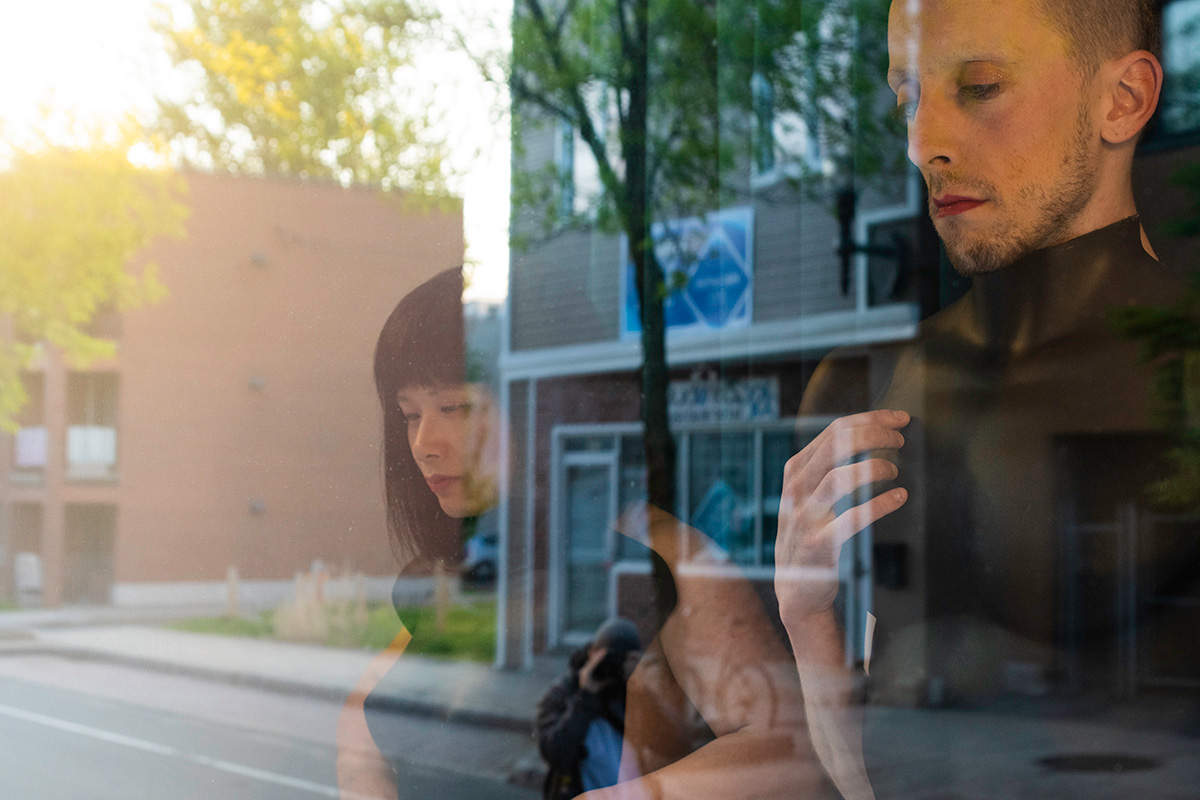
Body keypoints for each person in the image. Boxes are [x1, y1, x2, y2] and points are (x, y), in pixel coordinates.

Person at [775, 1, 1197, 797]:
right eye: (908, 96)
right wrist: (806, 619)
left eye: (979, 86)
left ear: (1124, 100)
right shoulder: (863, 395)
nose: (925, 141)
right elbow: (868, 771)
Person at [336, 267, 501, 798]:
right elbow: (362, 713)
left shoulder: (591, 583)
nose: (424, 443)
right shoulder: (437, 581)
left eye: (452, 407)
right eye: (409, 415)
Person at [536, 618, 643, 800]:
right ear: (592, 652)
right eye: (609, 657)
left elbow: (672, 746)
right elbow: (556, 755)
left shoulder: (637, 693)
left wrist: (643, 684)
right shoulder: (563, 694)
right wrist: (585, 698)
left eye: (621, 659)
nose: (613, 666)